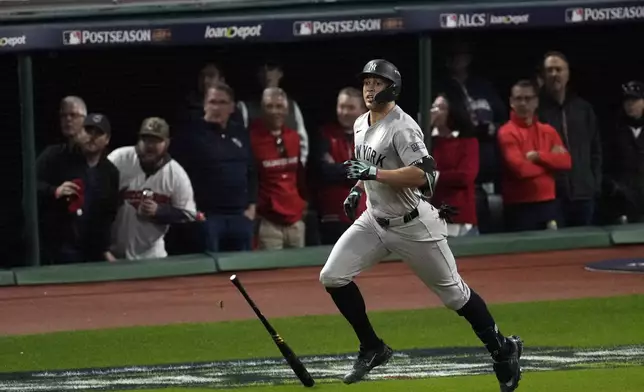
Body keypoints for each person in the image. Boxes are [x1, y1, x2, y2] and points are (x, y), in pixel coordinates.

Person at [318, 59, 523, 391]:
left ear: (393, 87)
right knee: (332, 276)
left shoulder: (404, 127)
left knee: (455, 295)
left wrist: (372, 175)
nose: (370, 88)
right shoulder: (360, 123)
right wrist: (358, 189)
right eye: (367, 82)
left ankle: (502, 349)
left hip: (413, 225)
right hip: (374, 218)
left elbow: (423, 176)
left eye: (377, 83)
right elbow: (364, 167)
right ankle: (372, 347)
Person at [108, 117, 198, 260]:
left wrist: (159, 211)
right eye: (146, 139)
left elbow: (189, 214)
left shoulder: (175, 173)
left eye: (156, 140)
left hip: (152, 257)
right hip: (112, 254)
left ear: (167, 143)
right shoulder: (119, 158)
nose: (150, 145)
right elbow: (95, 197)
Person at [36, 113, 120, 264]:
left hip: (90, 252)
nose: (92, 137)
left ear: (107, 139)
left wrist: (104, 249)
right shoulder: (55, 155)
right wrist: (54, 191)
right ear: (79, 133)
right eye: (88, 131)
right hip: (54, 248)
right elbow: (29, 186)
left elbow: (107, 216)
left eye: (98, 133)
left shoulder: (110, 172)